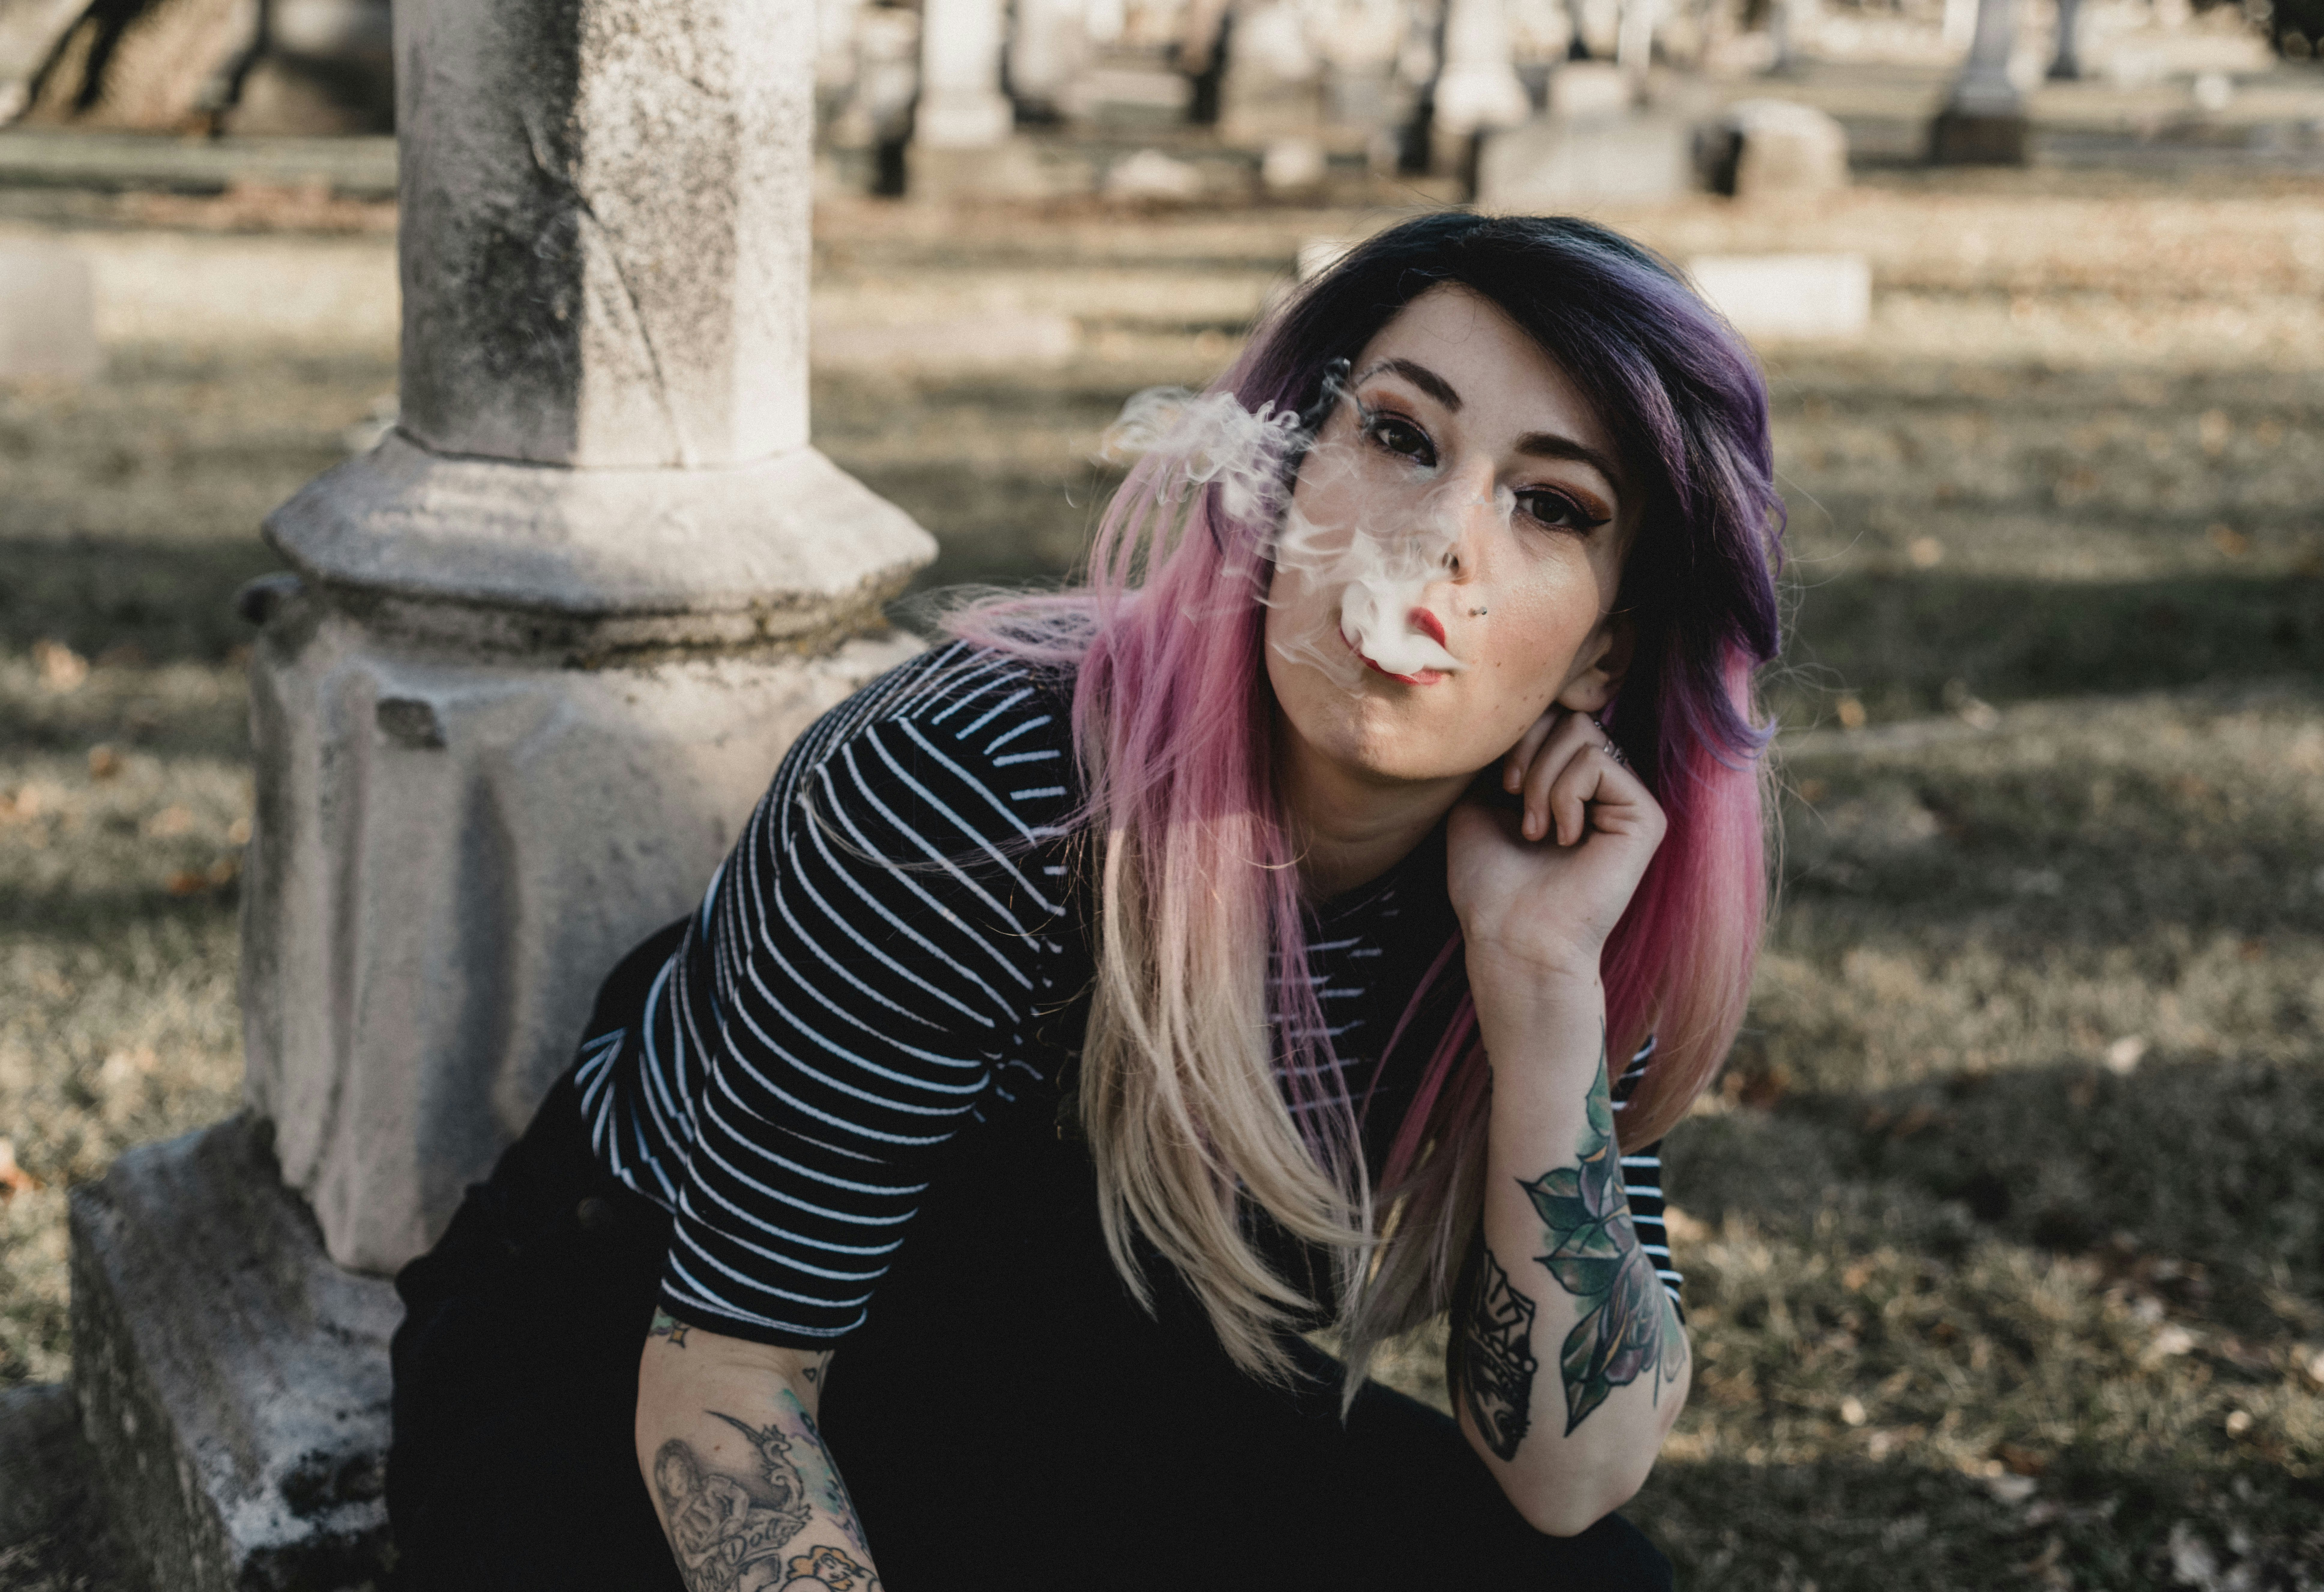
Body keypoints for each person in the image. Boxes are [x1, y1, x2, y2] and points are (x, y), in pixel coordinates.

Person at [385, 210, 1784, 1592]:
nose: (1435, 539)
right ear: (1284, 471)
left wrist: (1539, 983)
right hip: (650, 1357)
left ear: (1605, 653)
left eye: (1550, 506)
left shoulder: (1558, 886)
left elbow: (1569, 1477)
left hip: (1081, 1372)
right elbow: (726, 1385)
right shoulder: (975, 787)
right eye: (1400, 437)